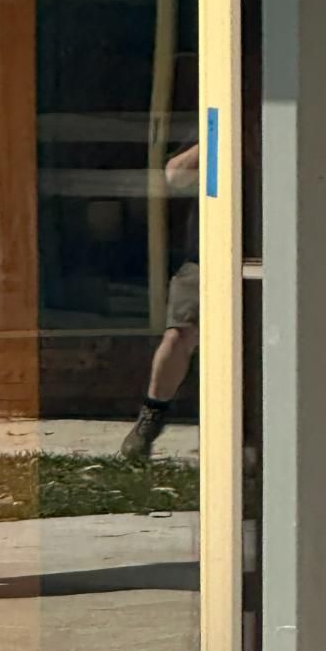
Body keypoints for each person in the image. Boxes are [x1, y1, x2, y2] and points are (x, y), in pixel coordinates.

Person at [120, 140, 200, 462]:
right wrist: (217, 138)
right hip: (207, 254)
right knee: (180, 332)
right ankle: (150, 418)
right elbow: (175, 175)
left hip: (277, 249)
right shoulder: (220, 112)